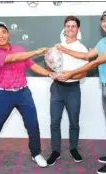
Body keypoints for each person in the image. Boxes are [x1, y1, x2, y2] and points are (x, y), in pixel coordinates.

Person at [56, 10, 106, 174]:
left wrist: (70, 74)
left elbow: (94, 62)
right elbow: (87, 55)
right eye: (104, 20)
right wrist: (65, 49)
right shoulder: (104, 41)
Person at [0, 21, 55, 168]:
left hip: (23, 93)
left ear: (8, 33)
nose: (1, 35)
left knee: (32, 125)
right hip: (4, 95)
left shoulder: (19, 48)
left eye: (3, 31)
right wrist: (37, 51)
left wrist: (50, 73)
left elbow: (33, 65)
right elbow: (12, 59)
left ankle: (36, 153)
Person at [46, 16, 88, 166]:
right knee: (54, 122)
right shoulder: (57, 47)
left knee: (74, 122)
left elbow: (84, 73)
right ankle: (56, 151)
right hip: (57, 89)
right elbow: (49, 65)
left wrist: (69, 75)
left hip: (73, 89)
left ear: (78, 29)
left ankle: (73, 148)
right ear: (64, 28)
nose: (70, 29)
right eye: (68, 26)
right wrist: (53, 73)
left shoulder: (82, 49)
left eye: (73, 26)